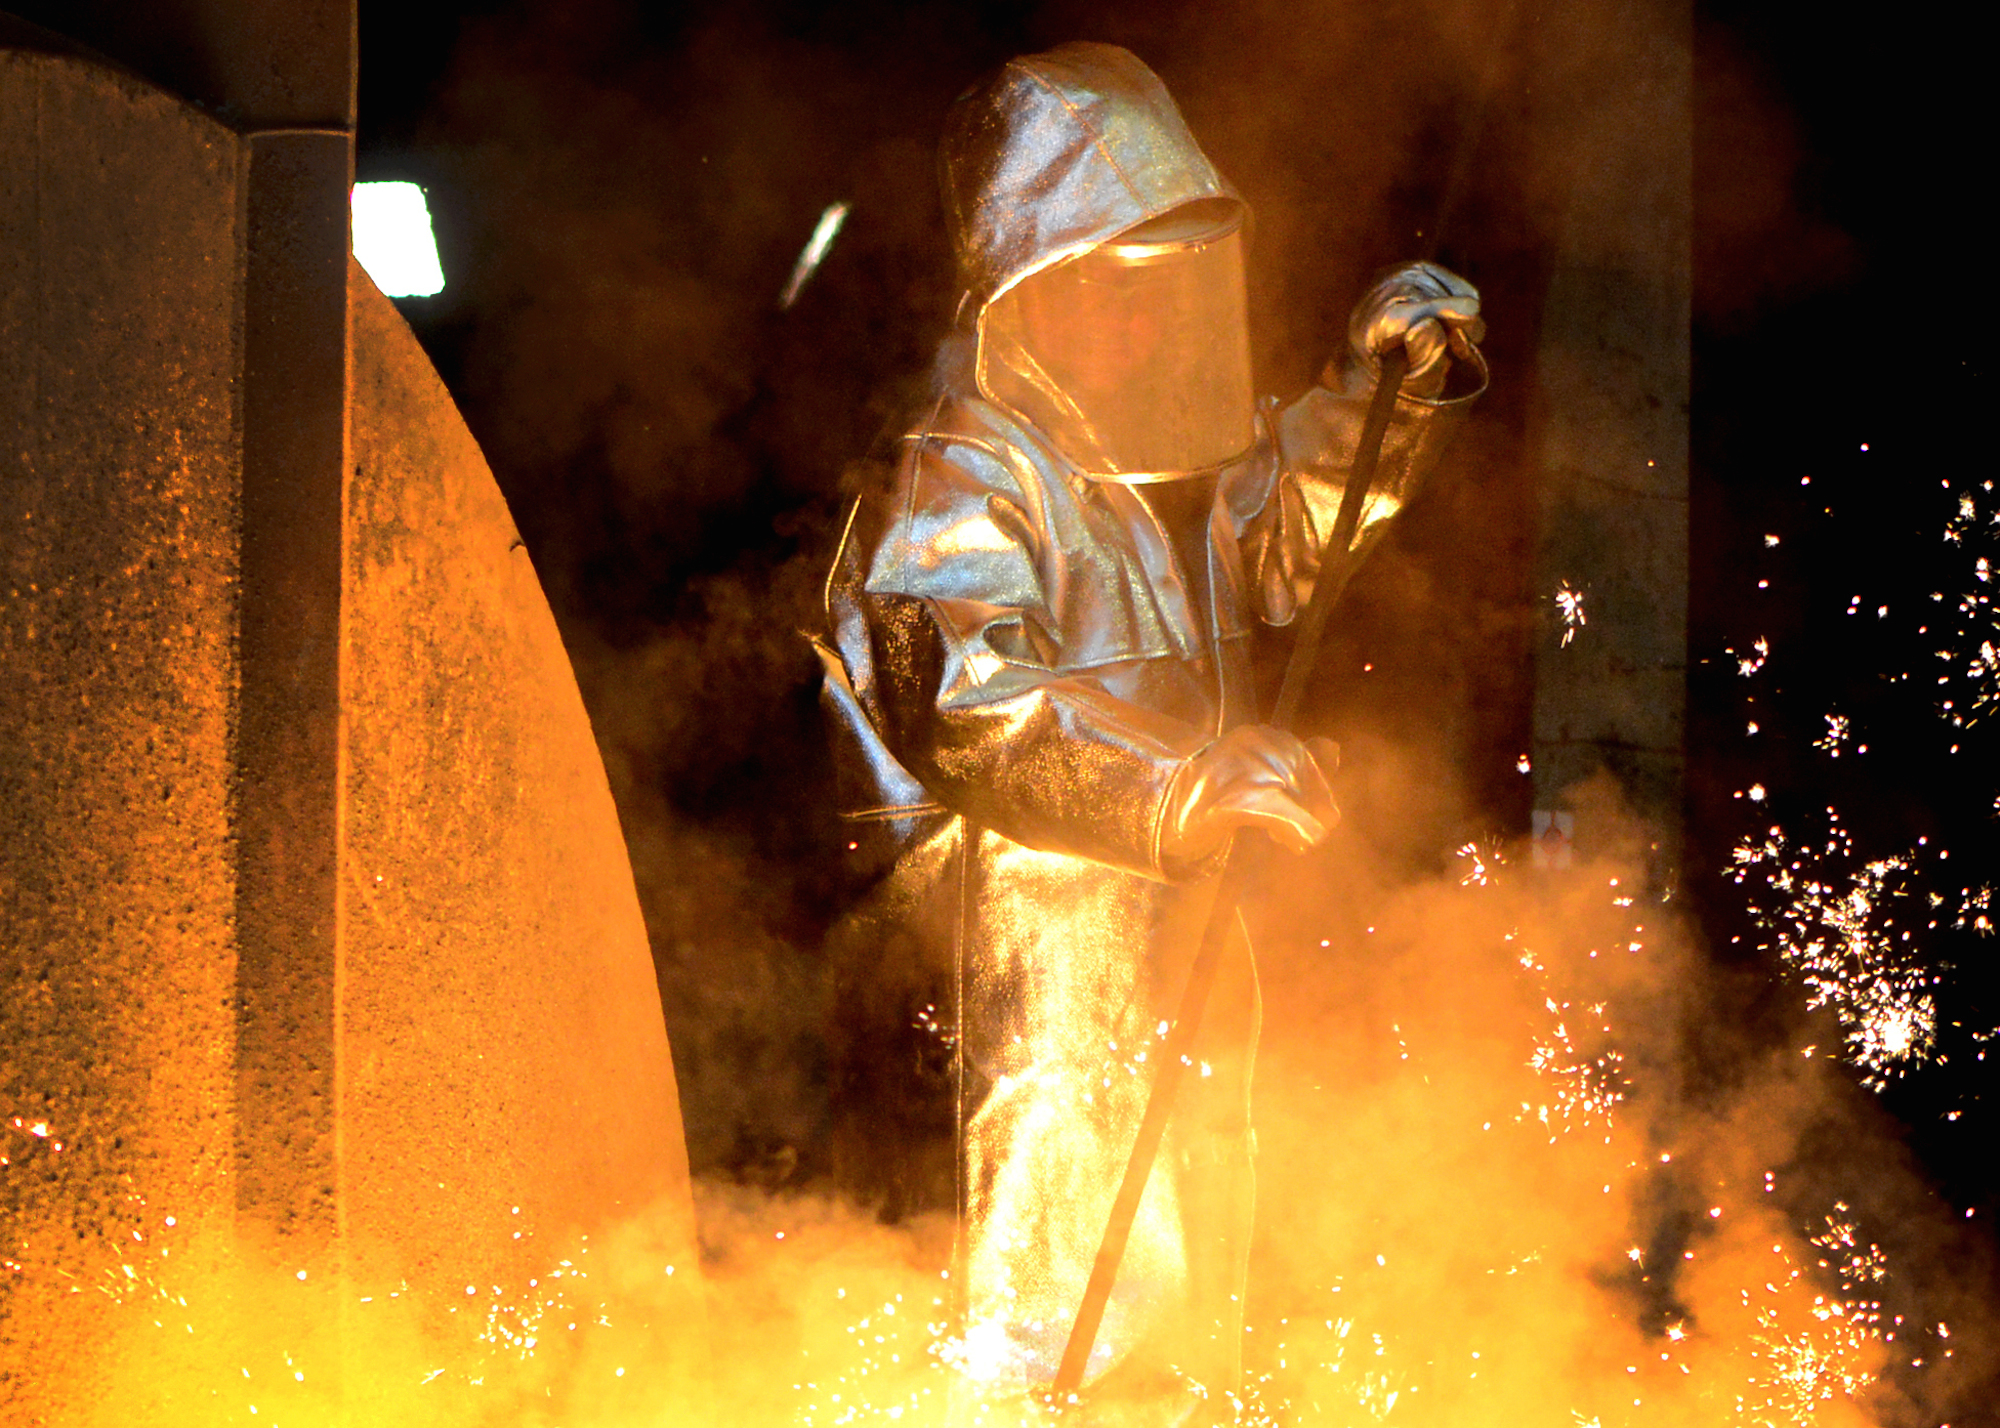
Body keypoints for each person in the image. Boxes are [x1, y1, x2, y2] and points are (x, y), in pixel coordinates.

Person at [813, 41, 1484, 1424]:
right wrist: (1184, 779)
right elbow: (966, 705)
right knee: (1025, 1324)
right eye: (1103, 300)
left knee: (1175, 1326)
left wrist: (1379, 401)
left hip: (1153, 970)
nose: (1135, 335)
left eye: (1153, 299)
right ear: (1030, 300)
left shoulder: (1129, 481)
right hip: (1014, 992)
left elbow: (1286, 555)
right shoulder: (959, 476)